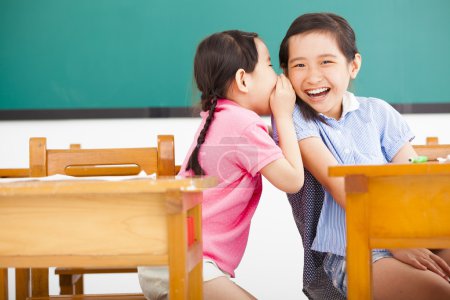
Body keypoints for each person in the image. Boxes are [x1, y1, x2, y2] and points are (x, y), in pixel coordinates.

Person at [273, 12, 450, 300]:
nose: (313, 76)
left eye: (326, 61)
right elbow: (342, 186)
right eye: (299, 65)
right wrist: (392, 241)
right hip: (351, 253)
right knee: (439, 292)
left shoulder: (377, 112)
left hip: (409, 234)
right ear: (286, 73)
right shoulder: (295, 121)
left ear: (353, 65)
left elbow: (413, 183)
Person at [138, 30, 304, 300]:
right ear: (243, 80)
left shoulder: (220, 117)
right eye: (270, 65)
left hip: (166, 258)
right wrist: (283, 114)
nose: (278, 76)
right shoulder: (242, 124)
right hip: (185, 262)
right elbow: (293, 180)